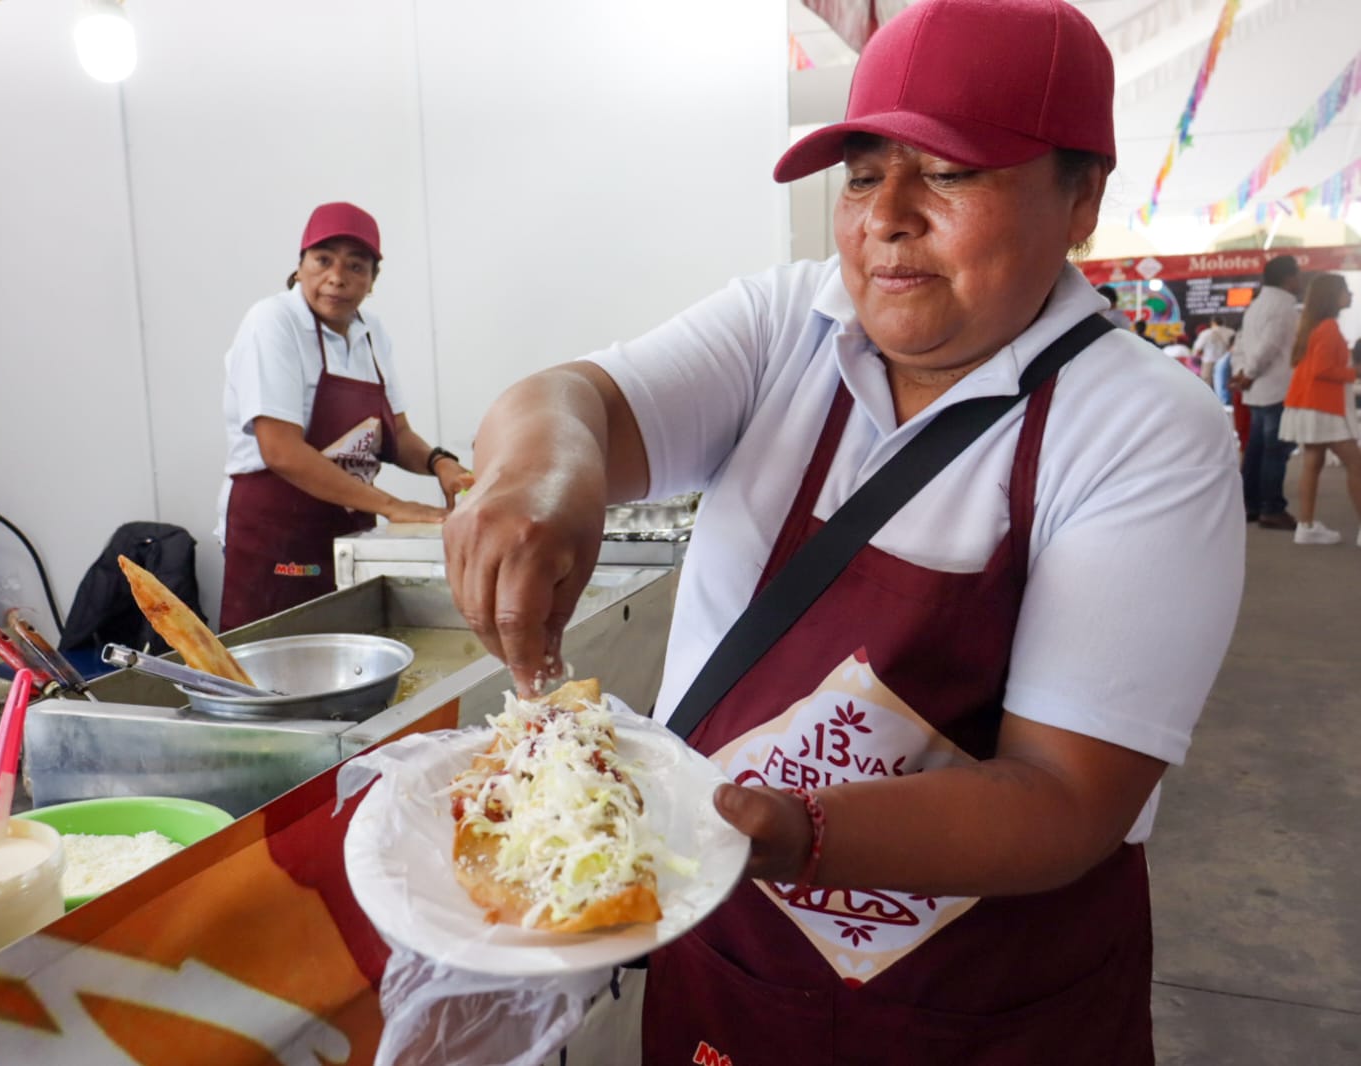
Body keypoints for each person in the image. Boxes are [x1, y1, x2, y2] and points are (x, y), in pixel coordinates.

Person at [444, 1, 1241, 1061]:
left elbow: (1066, 799)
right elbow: (573, 399)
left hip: (981, 1003)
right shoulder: (788, 327)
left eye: (949, 173)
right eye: (864, 173)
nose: (887, 217)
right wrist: (544, 471)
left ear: (1082, 195)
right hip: (734, 963)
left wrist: (795, 829)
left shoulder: (1140, 425)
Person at [216, 202, 471, 629]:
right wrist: (393, 506)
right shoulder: (273, 321)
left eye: (356, 266)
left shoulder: (371, 334)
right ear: (299, 266)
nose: (337, 278)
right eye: (323, 260)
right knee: (272, 675)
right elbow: (279, 449)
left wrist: (442, 464)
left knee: (356, 663)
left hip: (349, 531)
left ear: (373, 281)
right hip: (276, 533)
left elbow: (395, 433)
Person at [1276, 274, 1360, 545]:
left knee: (1312, 463)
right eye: (1346, 290)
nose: (1351, 294)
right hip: (1324, 406)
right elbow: (1322, 370)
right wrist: (1354, 372)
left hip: (1307, 403)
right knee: (1356, 464)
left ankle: (1306, 525)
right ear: (1332, 296)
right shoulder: (1328, 328)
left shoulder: (1313, 326)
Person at [1229, 254, 1303, 529]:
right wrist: (1248, 374)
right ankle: (1271, 508)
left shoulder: (1257, 304)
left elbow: (1243, 344)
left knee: (1257, 449)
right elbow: (1269, 348)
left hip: (1257, 387)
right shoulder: (1284, 306)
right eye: (1297, 274)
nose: (1299, 279)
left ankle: (1250, 505)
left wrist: (1242, 372)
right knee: (1275, 451)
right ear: (1288, 277)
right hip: (1274, 386)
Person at [1194, 315, 1235, 399]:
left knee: (1207, 385)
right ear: (1224, 322)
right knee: (1226, 385)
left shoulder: (1206, 333)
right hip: (1227, 362)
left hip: (1209, 361)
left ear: (1212, 323)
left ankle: (1210, 403)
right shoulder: (1231, 332)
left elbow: (1197, 350)